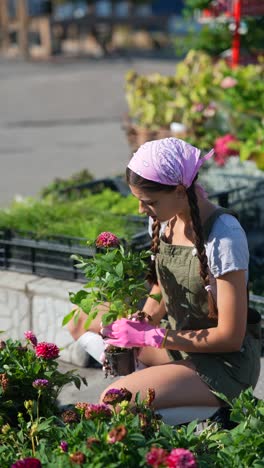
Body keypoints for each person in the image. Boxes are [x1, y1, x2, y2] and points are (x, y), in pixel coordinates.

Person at [69, 137, 261, 411]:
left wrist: (150, 337)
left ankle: (163, 394)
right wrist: (144, 320)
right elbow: (163, 287)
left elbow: (230, 337)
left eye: (149, 201)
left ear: (181, 191)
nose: (141, 209)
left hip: (222, 363)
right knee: (80, 319)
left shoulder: (223, 237)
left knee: (114, 400)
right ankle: (146, 375)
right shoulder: (164, 219)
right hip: (178, 341)